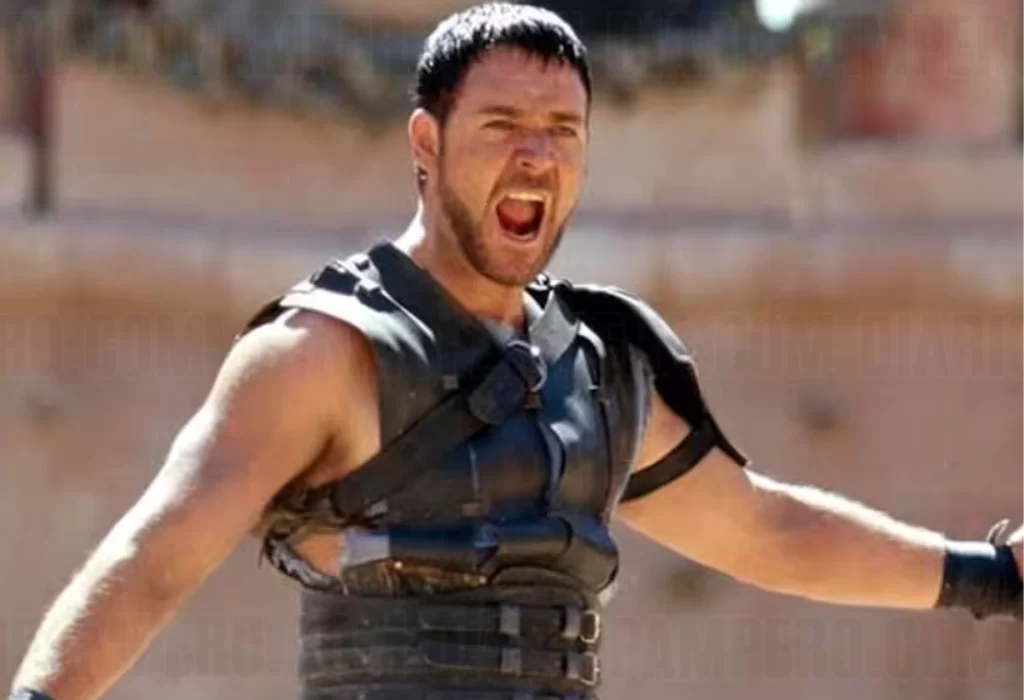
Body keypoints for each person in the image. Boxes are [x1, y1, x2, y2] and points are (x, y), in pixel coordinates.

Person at [9, 4, 1022, 700]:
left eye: (562, 130)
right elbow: (152, 561)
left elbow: (767, 529)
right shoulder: (318, 353)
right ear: (426, 143)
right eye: (501, 125)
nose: (536, 154)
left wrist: (989, 575)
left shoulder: (599, 368)